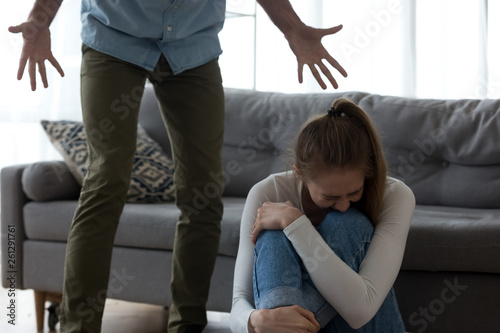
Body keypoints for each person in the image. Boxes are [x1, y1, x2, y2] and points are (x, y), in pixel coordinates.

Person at [9, 1, 347, 332]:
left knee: (203, 195)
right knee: (106, 182)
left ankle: (185, 325)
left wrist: (293, 29)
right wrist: (39, 20)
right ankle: (78, 327)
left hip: (191, 47)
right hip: (114, 37)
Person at [229, 98, 416, 333]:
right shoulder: (268, 191)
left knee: (350, 224)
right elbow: (239, 301)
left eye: (355, 192)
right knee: (272, 231)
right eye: (330, 197)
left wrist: (295, 223)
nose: (344, 205)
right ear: (300, 174)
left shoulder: (396, 195)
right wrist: (256, 320)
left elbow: (360, 311)